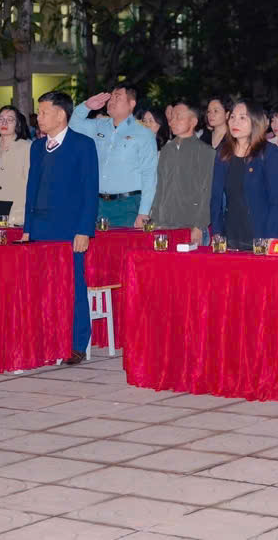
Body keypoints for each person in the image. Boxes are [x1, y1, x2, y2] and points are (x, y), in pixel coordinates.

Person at [25, 91, 100, 365]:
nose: (39, 117)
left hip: (70, 228)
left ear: (60, 114)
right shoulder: (37, 147)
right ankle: (47, 339)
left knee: (73, 285)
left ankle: (77, 343)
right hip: (40, 227)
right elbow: (31, 188)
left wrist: (84, 230)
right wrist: (27, 228)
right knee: (42, 287)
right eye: (38, 112)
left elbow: (90, 190)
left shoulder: (83, 145)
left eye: (43, 112)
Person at [71, 85, 159, 229]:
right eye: (110, 98)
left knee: (124, 243)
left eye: (117, 97)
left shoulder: (143, 133)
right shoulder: (99, 125)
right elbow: (73, 126)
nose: (111, 101)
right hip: (98, 203)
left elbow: (149, 174)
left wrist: (143, 212)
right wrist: (86, 106)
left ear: (131, 104)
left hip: (128, 205)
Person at [210, 101, 278, 249]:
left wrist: (272, 236)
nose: (235, 122)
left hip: (260, 237)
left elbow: (276, 199)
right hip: (229, 236)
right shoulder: (223, 153)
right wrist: (217, 232)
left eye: (242, 117)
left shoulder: (269, 152)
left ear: (255, 122)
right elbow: (216, 197)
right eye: (232, 117)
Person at [149, 101, 216, 245]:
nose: (172, 122)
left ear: (193, 122)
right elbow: (160, 187)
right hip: (165, 224)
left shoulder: (205, 151)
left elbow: (208, 192)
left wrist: (199, 226)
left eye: (178, 117)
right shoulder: (167, 150)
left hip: (191, 225)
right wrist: (155, 219)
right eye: (172, 117)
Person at [0, 105, 31, 227]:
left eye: (10, 119)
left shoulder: (27, 147)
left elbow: (30, 182)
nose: (4, 123)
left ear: (17, 124)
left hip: (17, 209)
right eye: (0, 119)